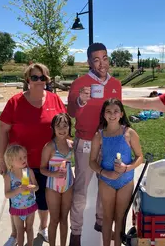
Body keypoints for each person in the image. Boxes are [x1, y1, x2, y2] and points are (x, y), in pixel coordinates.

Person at [0, 63, 66, 246]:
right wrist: (2, 161)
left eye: (42, 77)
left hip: (46, 164)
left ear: (47, 80)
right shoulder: (14, 102)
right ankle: (14, 233)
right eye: (34, 77)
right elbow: (3, 131)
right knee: (17, 199)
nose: (38, 81)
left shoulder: (55, 100)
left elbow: (63, 127)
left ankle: (42, 228)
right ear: (27, 79)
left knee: (43, 199)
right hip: (21, 164)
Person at [67, 43, 122, 246]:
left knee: (106, 186)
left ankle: (101, 222)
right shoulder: (79, 83)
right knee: (81, 190)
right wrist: (81, 100)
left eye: (105, 58)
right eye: (96, 59)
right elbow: (71, 112)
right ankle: (76, 232)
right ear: (89, 61)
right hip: (86, 142)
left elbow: (118, 113)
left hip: (108, 142)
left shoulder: (116, 84)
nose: (101, 63)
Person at [89, 98, 143, 246]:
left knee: (120, 218)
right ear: (104, 114)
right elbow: (92, 161)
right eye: (108, 111)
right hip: (106, 180)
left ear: (121, 114)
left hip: (125, 180)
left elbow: (140, 157)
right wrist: (105, 173)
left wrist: (127, 168)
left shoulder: (129, 133)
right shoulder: (99, 135)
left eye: (115, 111)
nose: (112, 114)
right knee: (107, 217)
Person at [40, 113, 74, 246]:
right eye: (58, 126)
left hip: (68, 185)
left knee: (64, 219)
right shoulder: (49, 147)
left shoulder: (71, 144)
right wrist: (53, 174)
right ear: (53, 128)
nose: (62, 129)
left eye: (65, 125)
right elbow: (42, 168)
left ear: (69, 127)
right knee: (54, 219)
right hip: (53, 187)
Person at [4, 145, 39, 246]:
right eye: (20, 158)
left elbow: (37, 187)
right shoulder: (8, 176)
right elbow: (7, 194)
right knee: (20, 231)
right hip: (17, 209)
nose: (24, 159)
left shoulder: (28, 172)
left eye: (24, 157)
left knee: (29, 228)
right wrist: (19, 189)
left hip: (30, 207)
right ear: (11, 161)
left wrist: (33, 187)